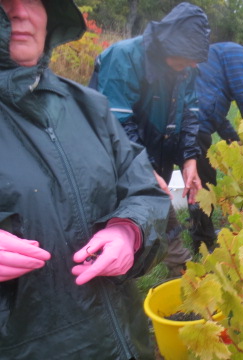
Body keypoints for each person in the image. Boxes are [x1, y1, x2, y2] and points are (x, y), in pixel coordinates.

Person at [0, 0, 169, 358]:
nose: (19, 11)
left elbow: (145, 189)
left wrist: (129, 231)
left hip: (122, 338)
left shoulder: (88, 105)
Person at [89, 2, 211, 275]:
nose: (192, 65)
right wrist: (144, 170)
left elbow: (190, 113)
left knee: (158, 208)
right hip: (113, 160)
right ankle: (111, 275)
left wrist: (189, 159)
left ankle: (181, 274)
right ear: (168, 44)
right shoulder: (124, 58)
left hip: (157, 153)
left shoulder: (185, 67)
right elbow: (116, 123)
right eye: (188, 57)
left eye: (195, 59)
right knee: (121, 218)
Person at [190, 42, 243, 251]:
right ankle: (203, 242)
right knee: (204, 184)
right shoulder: (238, 55)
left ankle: (201, 234)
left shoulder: (217, 80)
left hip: (197, 118)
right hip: (195, 121)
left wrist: (237, 142)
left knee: (201, 180)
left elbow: (219, 119)